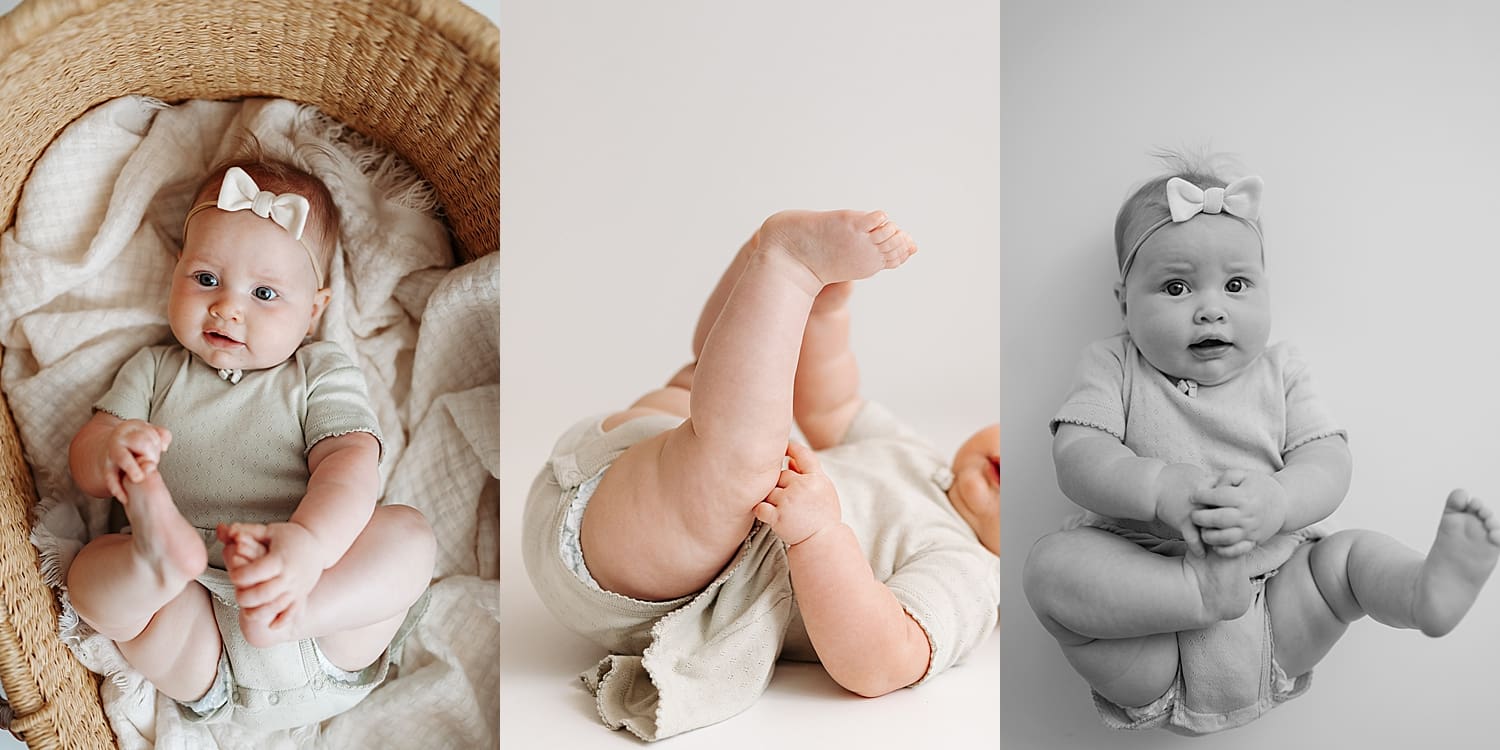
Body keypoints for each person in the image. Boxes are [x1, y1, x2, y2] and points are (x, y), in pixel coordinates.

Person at [1022, 154, 1500, 735]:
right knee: (1051, 569)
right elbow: (1078, 457)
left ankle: (1420, 590)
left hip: (1274, 605)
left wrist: (1277, 500)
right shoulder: (1114, 365)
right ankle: (1195, 590)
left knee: (1345, 559)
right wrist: (1159, 487)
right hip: (1151, 632)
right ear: (1124, 302)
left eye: (1237, 284)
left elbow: (1328, 460)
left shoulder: (1282, 371)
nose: (1211, 307)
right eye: (1176, 286)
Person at [521, 210, 999, 741]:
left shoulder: (971, 571)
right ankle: (781, 278)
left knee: (744, 459)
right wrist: (825, 313)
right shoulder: (916, 454)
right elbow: (829, 402)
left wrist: (818, 536)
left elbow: (884, 659)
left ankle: (786, 266)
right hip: (632, 460)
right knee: (722, 380)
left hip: (643, 562)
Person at [65, 159, 436, 730]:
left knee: (409, 536)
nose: (228, 307)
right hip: (200, 633)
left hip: (321, 615)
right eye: (207, 279)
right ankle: (156, 562)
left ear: (313, 311)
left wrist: (309, 547)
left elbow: (348, 461)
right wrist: (111, 449)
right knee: (90, 574)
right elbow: (87, 456)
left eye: (265, 292)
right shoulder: (156, 370)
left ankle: (291, 611)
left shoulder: (317, 371)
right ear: (176, 274)